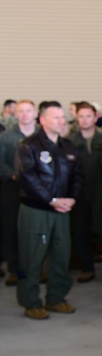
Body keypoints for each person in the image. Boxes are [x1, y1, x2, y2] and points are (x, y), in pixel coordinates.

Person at [15, 101, 82, 319]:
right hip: (36, 210)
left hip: (62, 210)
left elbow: (77, 176)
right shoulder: (28, 146)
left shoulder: (68, 146)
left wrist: (71, 198)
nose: (61, 121)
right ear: (42, 120)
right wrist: (51, 199)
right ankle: (31, 301)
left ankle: (56, 298)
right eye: (56, 117)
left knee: (61, 256)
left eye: (62, 117)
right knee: (31, 257)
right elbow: (27, 177)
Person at [68, 102, 102, 283]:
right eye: (81, 116)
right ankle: (87, 268)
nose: (85, 120)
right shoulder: (70, 142)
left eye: (88, 116)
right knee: (80, 230)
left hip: (101, 191)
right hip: (78, 192)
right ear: (76, 119)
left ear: (95, 117)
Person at [0, 99, 37, 286]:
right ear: (15, 114)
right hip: (12, 189)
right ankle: (14, 269)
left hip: (38, 191)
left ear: (35, 113)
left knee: (36, 230)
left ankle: (38, 269)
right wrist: (12, 175)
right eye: (20, 111)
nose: (24, 114)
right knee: (11, 229)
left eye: (28, 110)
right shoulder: (5, 137)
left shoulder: (42, 137)